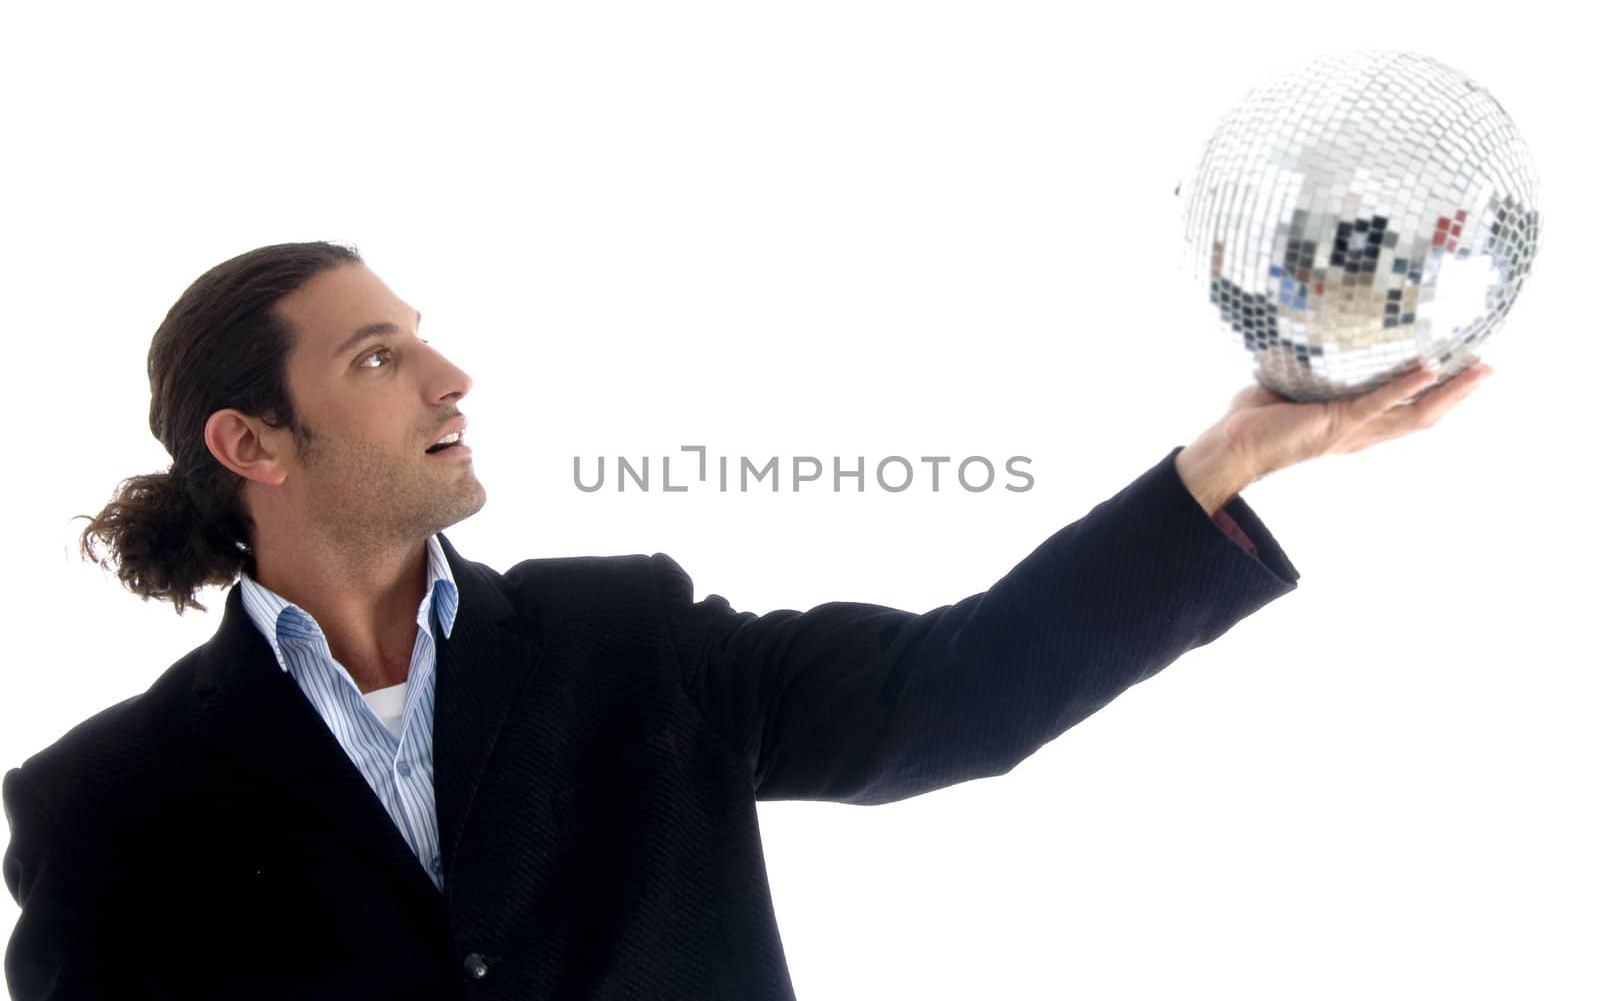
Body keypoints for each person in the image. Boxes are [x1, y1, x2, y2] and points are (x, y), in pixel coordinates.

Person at [1, 241, 1489, 999]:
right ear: (251, 446)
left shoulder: (629, 639)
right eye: (381, 358)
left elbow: (949, 693)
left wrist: (1219, 466)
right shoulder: (107, 804)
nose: (453, 375)